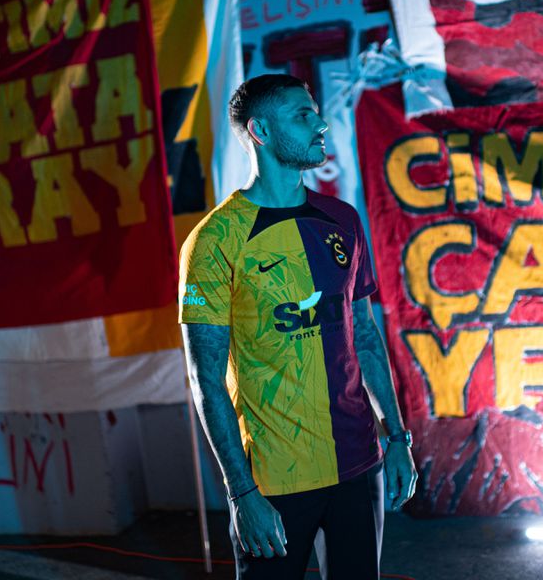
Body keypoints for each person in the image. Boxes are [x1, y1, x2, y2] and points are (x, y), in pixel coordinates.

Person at [178, 74, 417, 580]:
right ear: (261, 131)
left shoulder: (342, 219)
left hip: (358, 465)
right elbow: (206, 380)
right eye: (302, 115)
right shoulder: (214, 240)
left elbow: (364, 336)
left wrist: (397, 438)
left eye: (315, 112)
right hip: (272, 482)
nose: (320, 124)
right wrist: (241, 493)